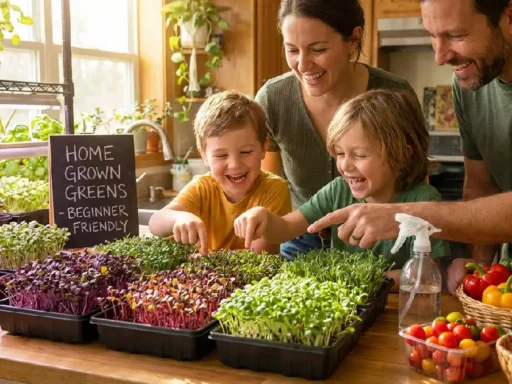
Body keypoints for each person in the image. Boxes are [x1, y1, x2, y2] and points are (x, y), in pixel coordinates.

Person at [307, 0, 512, 295]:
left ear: (508, 14)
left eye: (456, 35)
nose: (440, 57)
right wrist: (476, 264)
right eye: (431, 34)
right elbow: (481, 186)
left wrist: (405, 215)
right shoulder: (470, 83)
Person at [235, 90, 450, 290]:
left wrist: (367, 280)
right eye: (339, 153)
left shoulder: (424, 203)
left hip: (396, 310)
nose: (345, 166)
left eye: (359, 155)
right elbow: (286, 228)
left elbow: (425, 274)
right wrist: (263, 218)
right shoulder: (339, 191)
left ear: (402, 155)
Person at [256, 0, 421, 260]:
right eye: (292, 50)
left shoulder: (395, 94)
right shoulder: (273, 98)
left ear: (353, 40)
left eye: (318, 49)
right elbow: (267, 186)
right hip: (301, 237)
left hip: (376, 242)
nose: (302, 64)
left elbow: (417, 181)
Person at [149, 90, 291, 254]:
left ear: (264, 147)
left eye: (245, 152)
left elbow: (261, 256)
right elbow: (155, 222)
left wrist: (204, 259)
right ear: (204, 155)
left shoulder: (274, 189)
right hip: (202, 277)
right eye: (221, 155)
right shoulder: (202, 188)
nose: (234, 165)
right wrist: (180, 217)